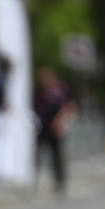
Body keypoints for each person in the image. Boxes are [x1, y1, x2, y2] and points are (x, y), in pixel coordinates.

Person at [33, 66, 77, 194]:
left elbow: (70, 106)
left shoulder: (61, 89)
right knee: (37, 154)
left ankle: (60, 182)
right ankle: (36, 179)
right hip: (41, 127)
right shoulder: (39, 90)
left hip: (56, 127)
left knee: (57, 156)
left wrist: (62, 121)